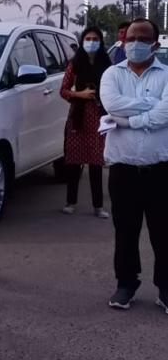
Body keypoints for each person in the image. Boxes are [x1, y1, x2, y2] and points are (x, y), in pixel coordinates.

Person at [100, 17, 168, 312]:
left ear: (155, 44)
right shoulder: (111, 74)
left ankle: (165, 287)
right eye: (131, 38)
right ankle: (126, 284)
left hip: (161, 169)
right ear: (123, 41)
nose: (135, 44)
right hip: (123, 168)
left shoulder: (166, 74)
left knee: (163, 232)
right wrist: (152, 107)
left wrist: (129, 121)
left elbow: (167, 113)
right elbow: (111, 104)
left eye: (143, 39)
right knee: (125, 231)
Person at [60, 26, 111, 217]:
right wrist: (79, 94)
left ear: (101, 42)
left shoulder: (107, 65)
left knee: (96, 163)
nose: (91, 42)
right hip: (78, 118)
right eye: (88, 39)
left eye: (95, 39)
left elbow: (114, 90)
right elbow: (63, 90)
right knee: (74, 162)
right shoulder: (74, 64)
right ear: (82, 41)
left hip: (99, 117)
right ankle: (70, 202)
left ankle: (98, 206)